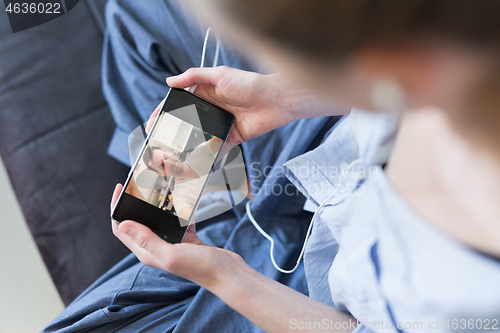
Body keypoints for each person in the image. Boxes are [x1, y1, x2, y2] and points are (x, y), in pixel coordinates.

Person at [43, 0, 500, 332]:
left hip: (300, 277)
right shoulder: (461, 61)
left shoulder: (463, 301)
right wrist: (284, 96)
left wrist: (225, 274)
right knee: (139, 14)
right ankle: (216, 205)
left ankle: (219, 213)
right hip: (321, 154)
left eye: (294, 62)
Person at [142, 140, 218, 219]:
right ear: (160, 173)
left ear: (169, 152)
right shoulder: (179, 197)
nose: (169, 163)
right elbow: (188, 216)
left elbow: (229, 136)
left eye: (165, 156)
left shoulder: (200, 152)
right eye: (162, 166)